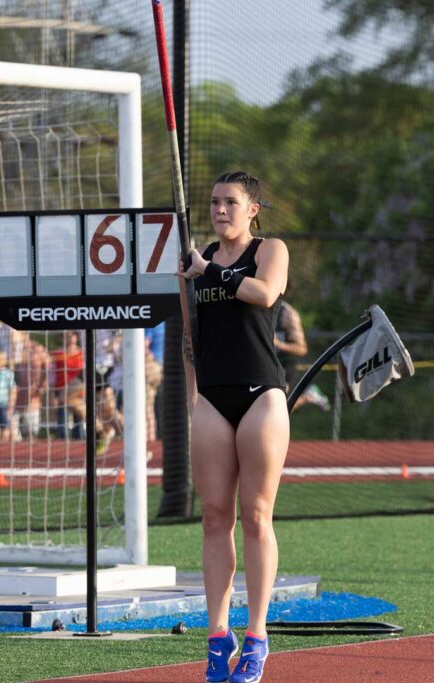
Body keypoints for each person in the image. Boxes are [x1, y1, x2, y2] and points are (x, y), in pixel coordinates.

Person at [179, 170, 288, 683]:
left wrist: (211, 273)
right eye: (214, 202)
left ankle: (257, 637)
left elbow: (266, 294)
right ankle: (217, 638)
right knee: (214, 517)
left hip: (261, 394)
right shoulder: (194, 261)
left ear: (252, 210)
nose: (220, 210)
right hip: (213, 398)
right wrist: (192, 400)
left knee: (256, 516)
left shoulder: (270, 249)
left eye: (230, 202)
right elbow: (188, 340)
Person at [274, 299, 329, 411]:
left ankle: (308, 397)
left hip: (284, 366)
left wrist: (278, 344)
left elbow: (302, 349)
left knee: (278, 408)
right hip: (264, 365)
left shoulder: (287, 313)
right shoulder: (252, 309)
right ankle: (309, 396)